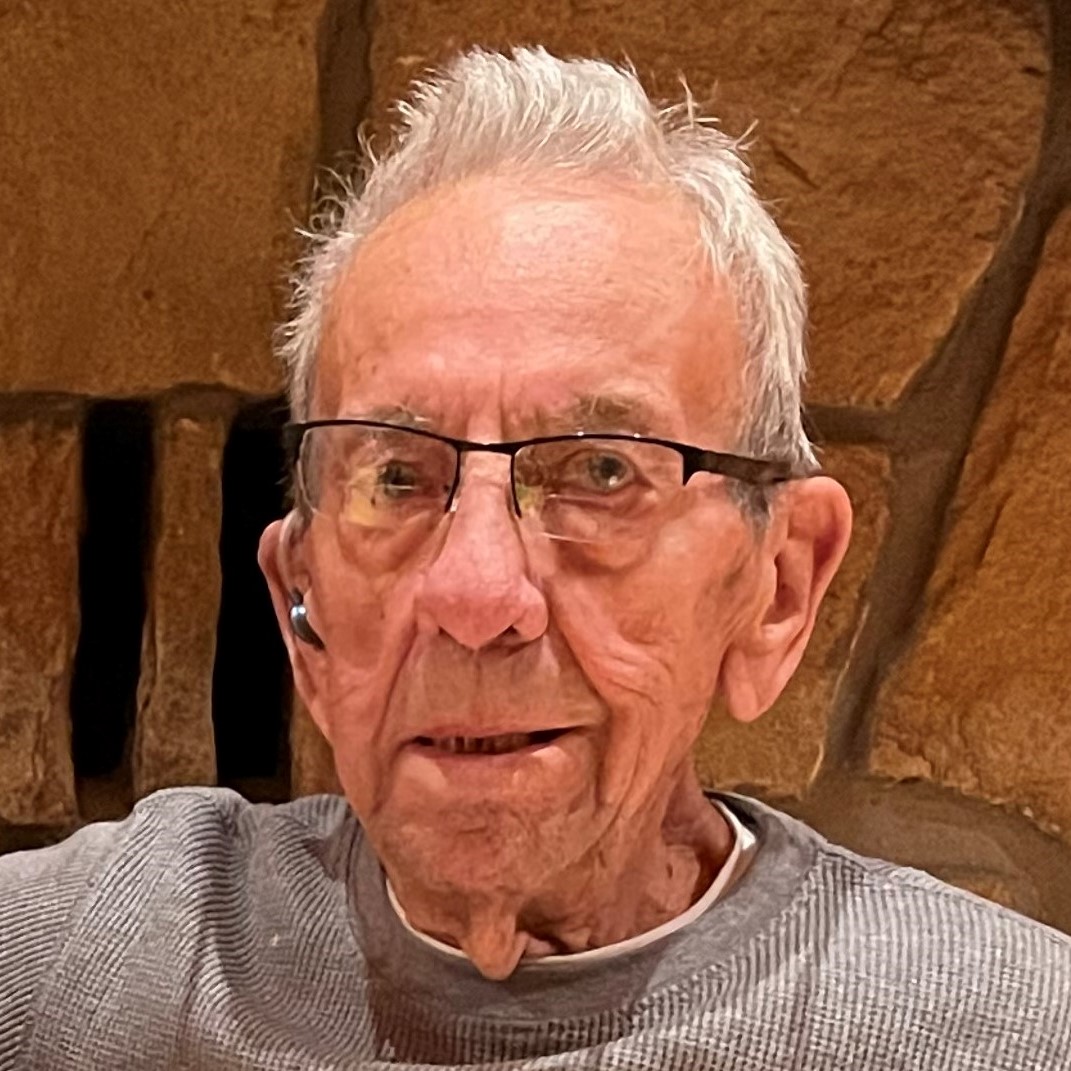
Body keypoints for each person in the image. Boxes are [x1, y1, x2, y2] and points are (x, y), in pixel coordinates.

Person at [2, 46, 1069, 1071]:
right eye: (396, 477)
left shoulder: (1011, 1034)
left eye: (601, 471)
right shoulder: (100, 959)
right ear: (300, 610)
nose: (475, 595)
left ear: (776, 588)